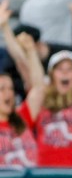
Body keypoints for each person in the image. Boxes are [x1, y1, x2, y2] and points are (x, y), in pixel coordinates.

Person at [25, 4, 72, 167]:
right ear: (51, 76)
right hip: (46, 176)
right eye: (59, 69)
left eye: (70, 69)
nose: (65, 73)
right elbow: (29, 72)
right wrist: (29, 49)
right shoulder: (41, 98)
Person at [0, 10, 44, 168]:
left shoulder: (22, 117)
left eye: (10, 88)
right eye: (2, 89)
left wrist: (31, 51)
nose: (8, 93)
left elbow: (38, 87)